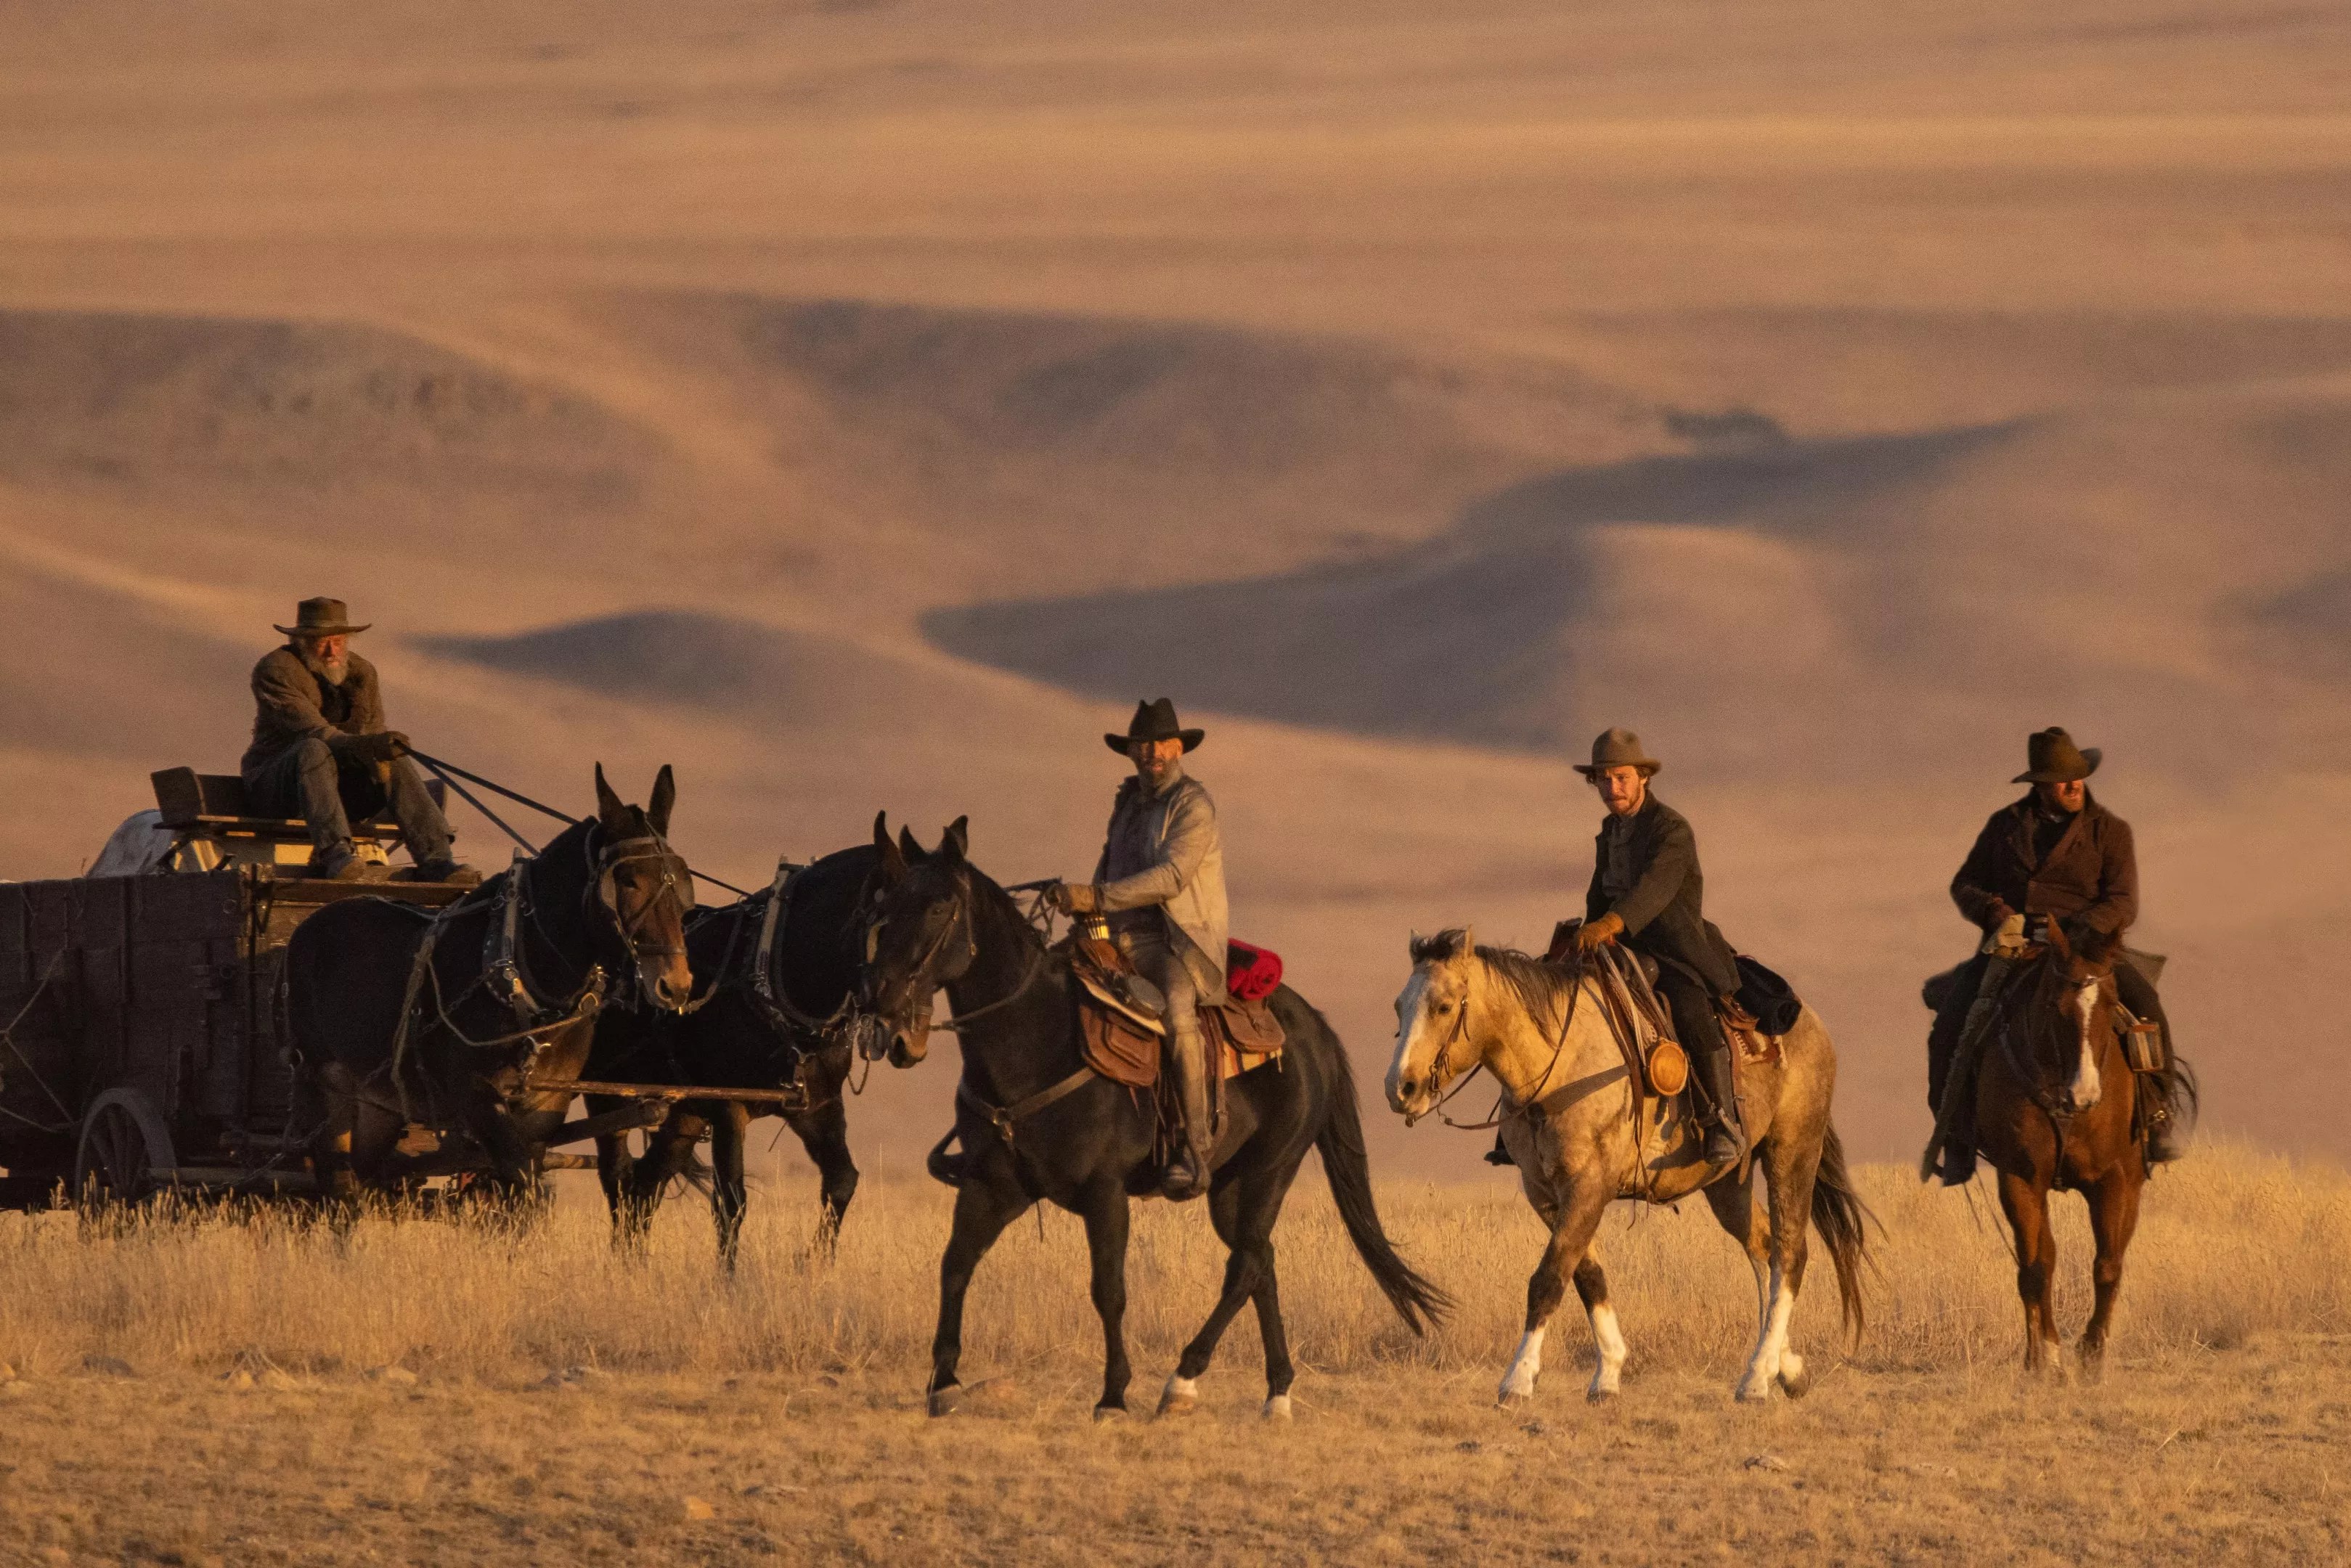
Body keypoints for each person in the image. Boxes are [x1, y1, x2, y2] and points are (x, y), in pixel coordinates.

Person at [1926, 727, 2180, 1181]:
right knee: (1949, 1026)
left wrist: (2084, 930)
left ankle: (2157, 1119)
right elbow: (1964, 885)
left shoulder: (2111, 832)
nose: (2073, 785)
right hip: (2016, 947)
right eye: (2063, 779)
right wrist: (1997, 911)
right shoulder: (2004, 828)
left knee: (2148, 1010)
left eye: (2078, 777)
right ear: (2041, 785)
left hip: (2090, 949)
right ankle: (1959, 1136)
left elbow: (2124, 901)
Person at [1049, 699, 1229, 1201]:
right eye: (1140, 745)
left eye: (1158, 744)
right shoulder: (1128, 802)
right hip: (1114, 933)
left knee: (1175, 1009)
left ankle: (1194, 1148)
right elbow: (1111, 865)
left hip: (1172, 942)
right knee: (1046, 982)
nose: (1149, 752)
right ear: (1130, 752)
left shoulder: (1194, 805)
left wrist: (1098, 897)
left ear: (1178, 748)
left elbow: (1172, 877)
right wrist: (1083, 905)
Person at [1568, 727, 1746, 1167]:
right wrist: (1581, 936)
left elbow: (1655, 889)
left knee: (1687, 1008)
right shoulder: (1610, 832)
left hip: (1674, 948)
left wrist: (1612, 922)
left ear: (1643, 777)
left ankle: (1720, 1120)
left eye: (1621, 778)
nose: (1612, 788)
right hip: (1622, 947)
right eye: (1603, 780)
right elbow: (1599, 894)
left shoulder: (1672, 830)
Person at [240, 597, 476, 884]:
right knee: (313, 749)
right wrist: (369, 746)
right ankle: (336, 855)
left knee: (394, 759)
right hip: (279, 789)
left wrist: (383, 750)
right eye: (321, 642)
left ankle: (437, 860)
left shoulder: (363, 672)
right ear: (301, 641)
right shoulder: (275, 669)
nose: (331, 651)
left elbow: (372, 731)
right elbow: (314, 731)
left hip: (338, 792)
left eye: (338, 641)